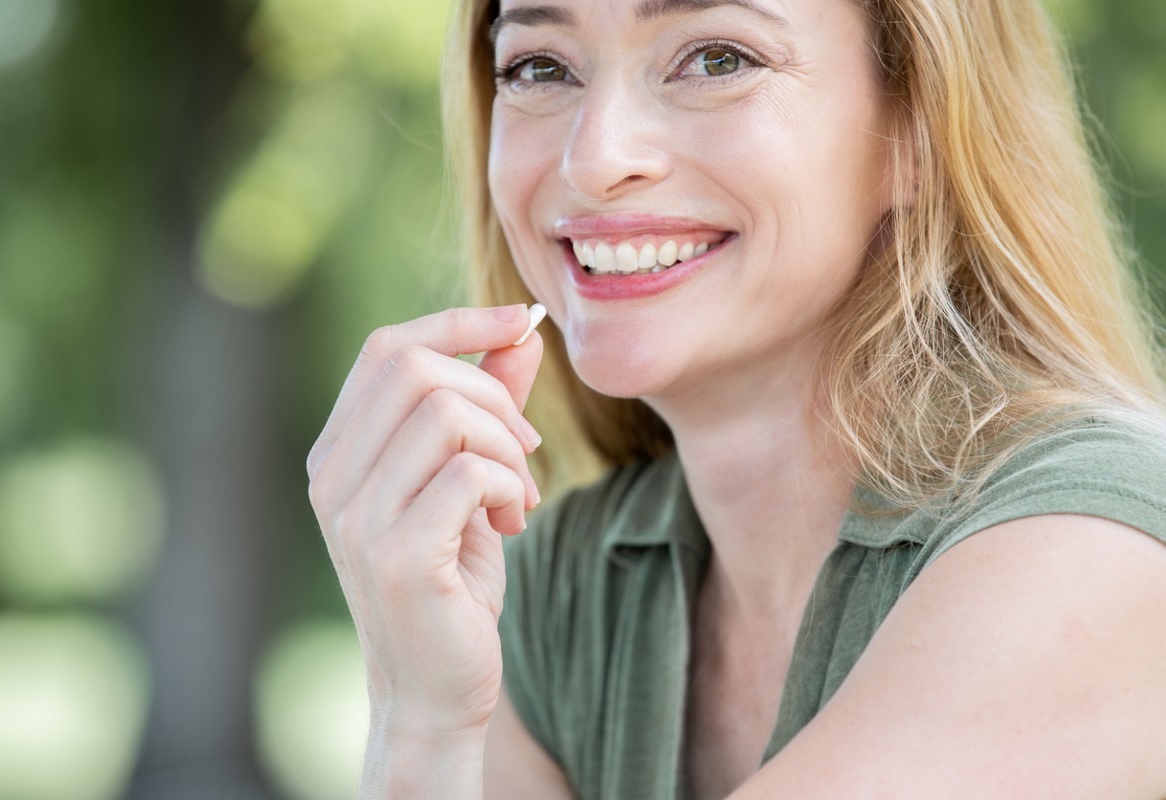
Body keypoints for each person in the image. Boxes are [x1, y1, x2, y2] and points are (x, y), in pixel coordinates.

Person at [306, 0, 1166, 796]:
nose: (595, 159)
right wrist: (420, 719)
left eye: (718, 57)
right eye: (540, 68)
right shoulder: (546, 598)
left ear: (917, 128)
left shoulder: (1098, 550)